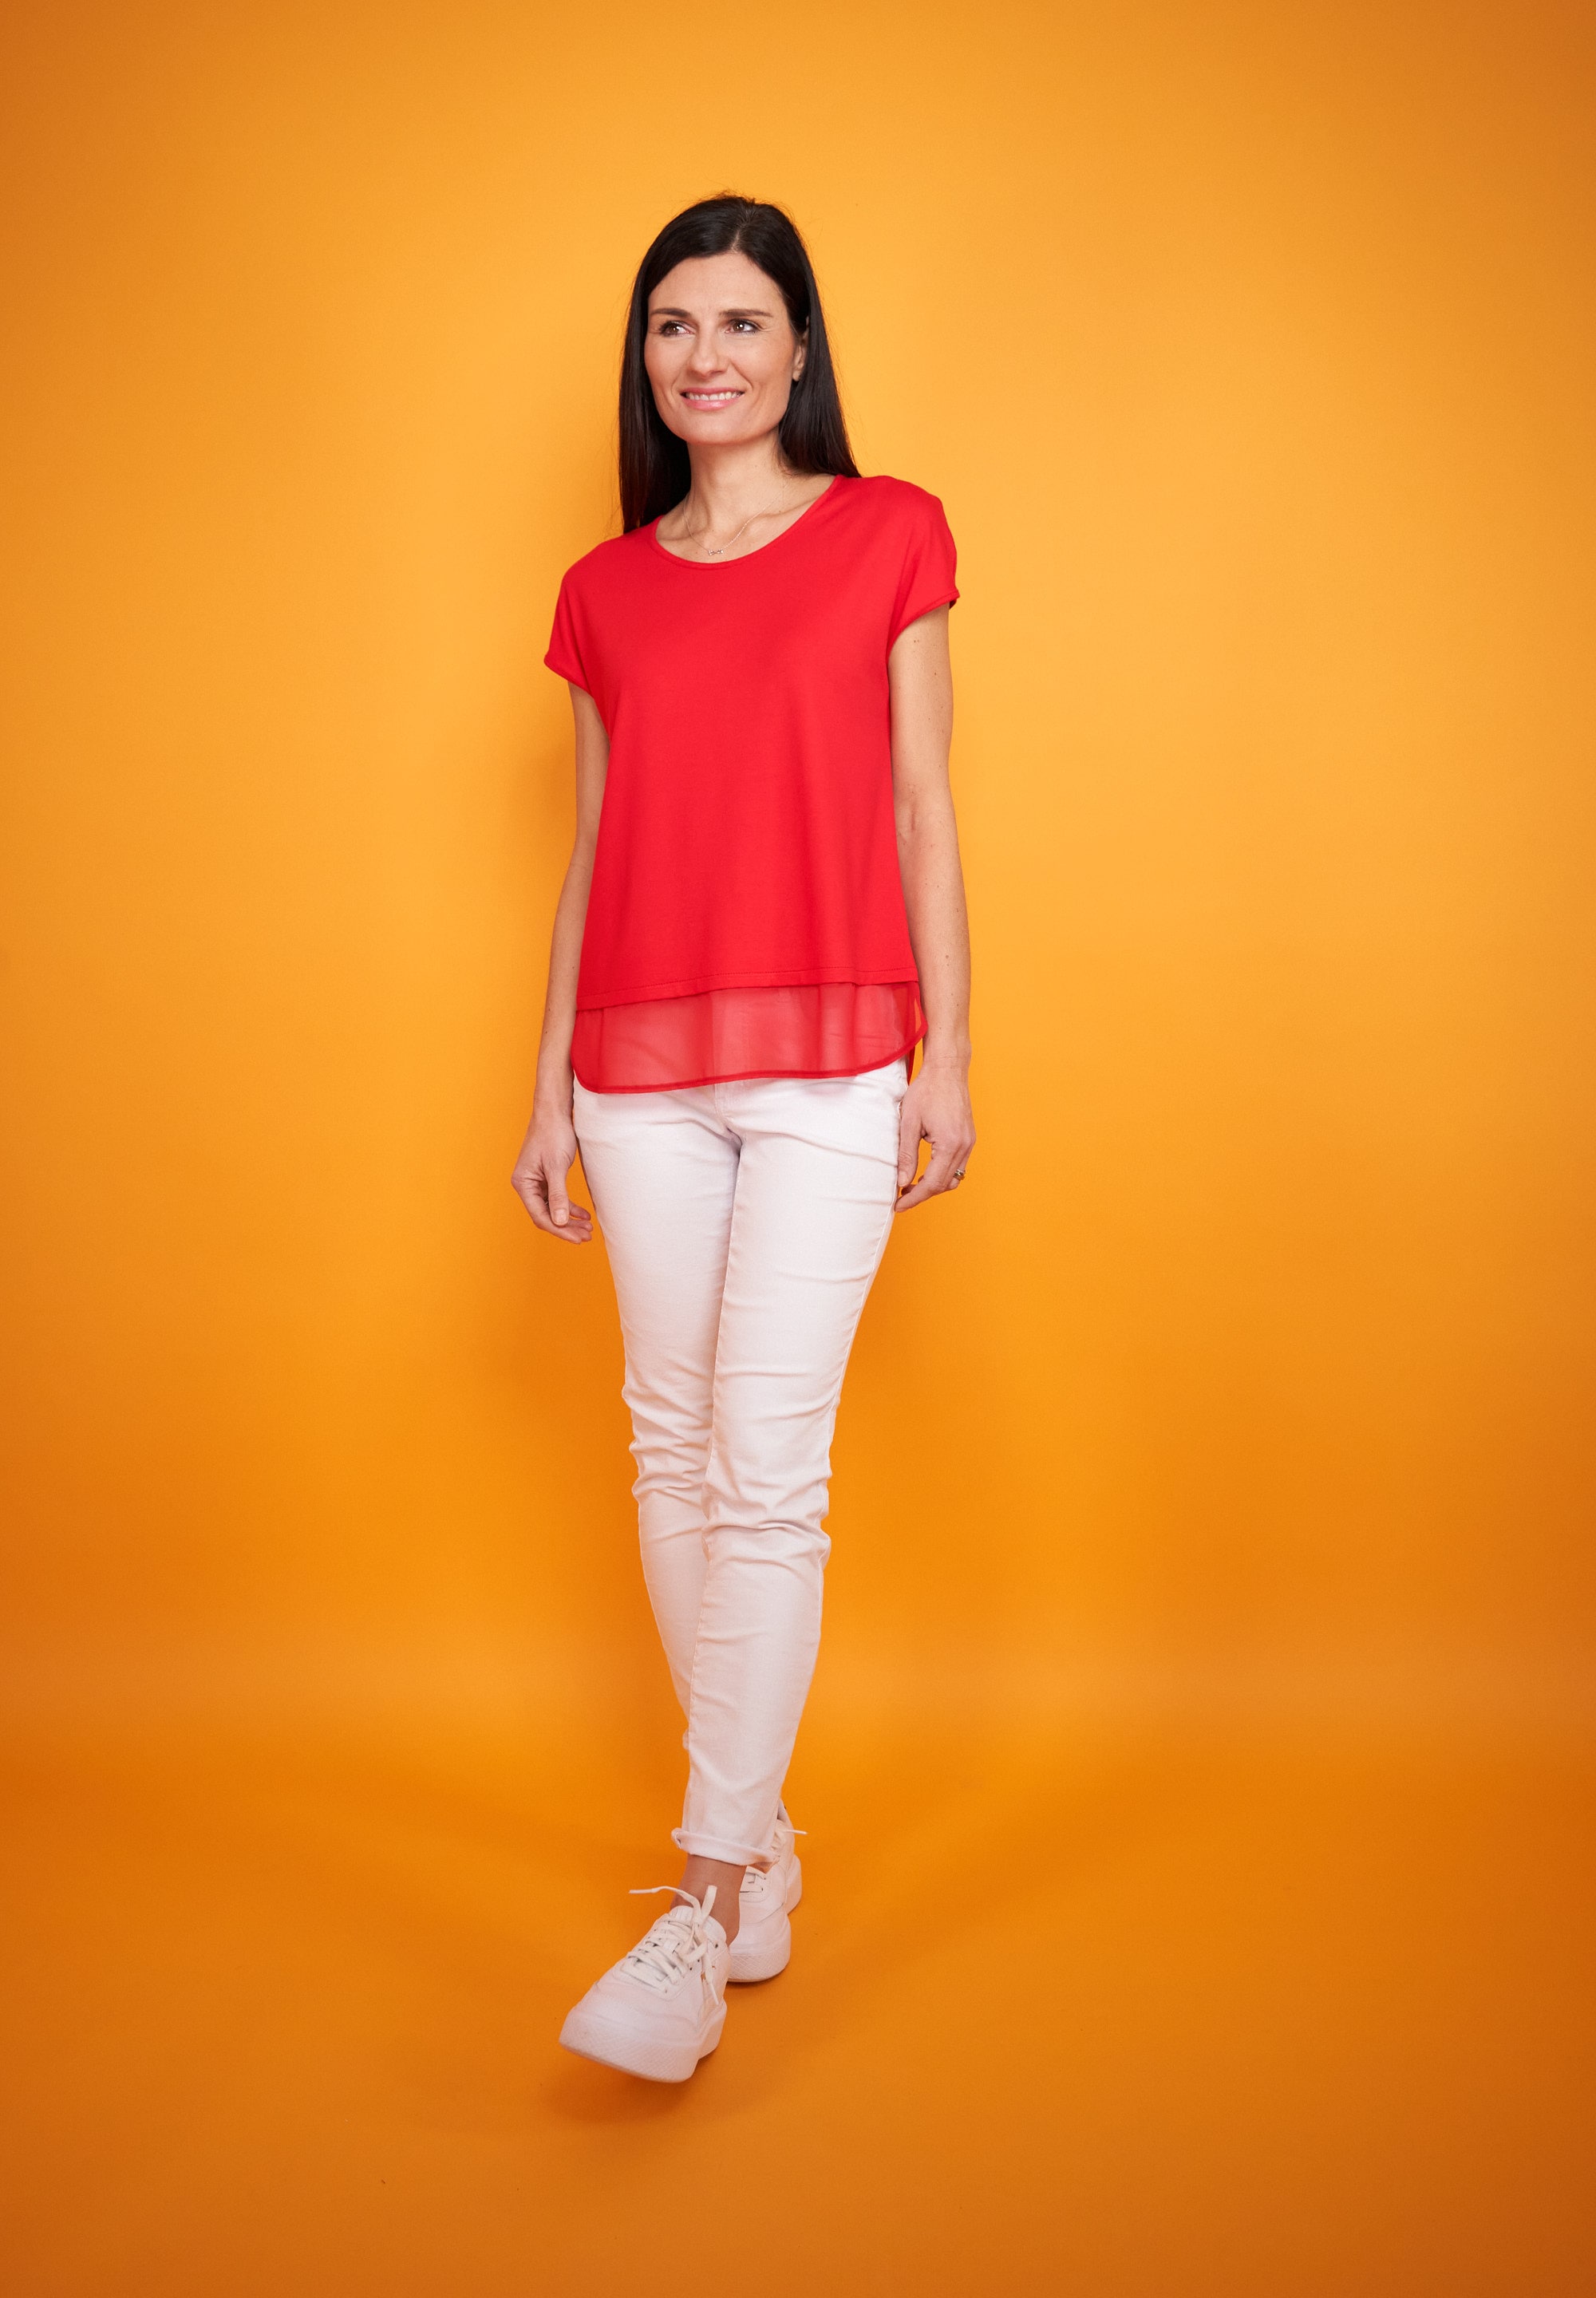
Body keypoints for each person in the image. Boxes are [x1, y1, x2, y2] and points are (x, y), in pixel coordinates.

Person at [512, 193, 974, 2084]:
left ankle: (699, 1907)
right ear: (649, 360)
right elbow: (592, 848)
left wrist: (947, 1054)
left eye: (738, 323)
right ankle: (763, 1843)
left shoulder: (890, 531)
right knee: (672, 1450)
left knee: (767, 1468)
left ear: (798, 351)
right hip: (635, 1067)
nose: (702, 356)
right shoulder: (603, 589)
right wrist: (547, 1081)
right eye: (672, 326)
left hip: (831, 1060)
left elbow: (925, 805)